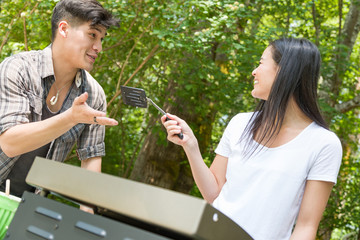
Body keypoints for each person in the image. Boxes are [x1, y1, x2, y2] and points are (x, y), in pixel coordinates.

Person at [162, 38, 342, 239]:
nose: (254, 71)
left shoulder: (324, 144)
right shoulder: (240, 123)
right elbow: (214, 195)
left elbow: (306, 227)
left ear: (285, 71)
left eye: (261, 62)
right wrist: (191, 146)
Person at [0, 0, 119, 204]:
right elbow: (10, 142)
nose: (98, 47)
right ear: (63, 29)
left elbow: (91, 159)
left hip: (28, 205)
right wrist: (70, 118)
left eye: (102, 39)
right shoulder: (18, 68)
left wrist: (88, 215)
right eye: (92, 35)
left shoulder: (94, 95)